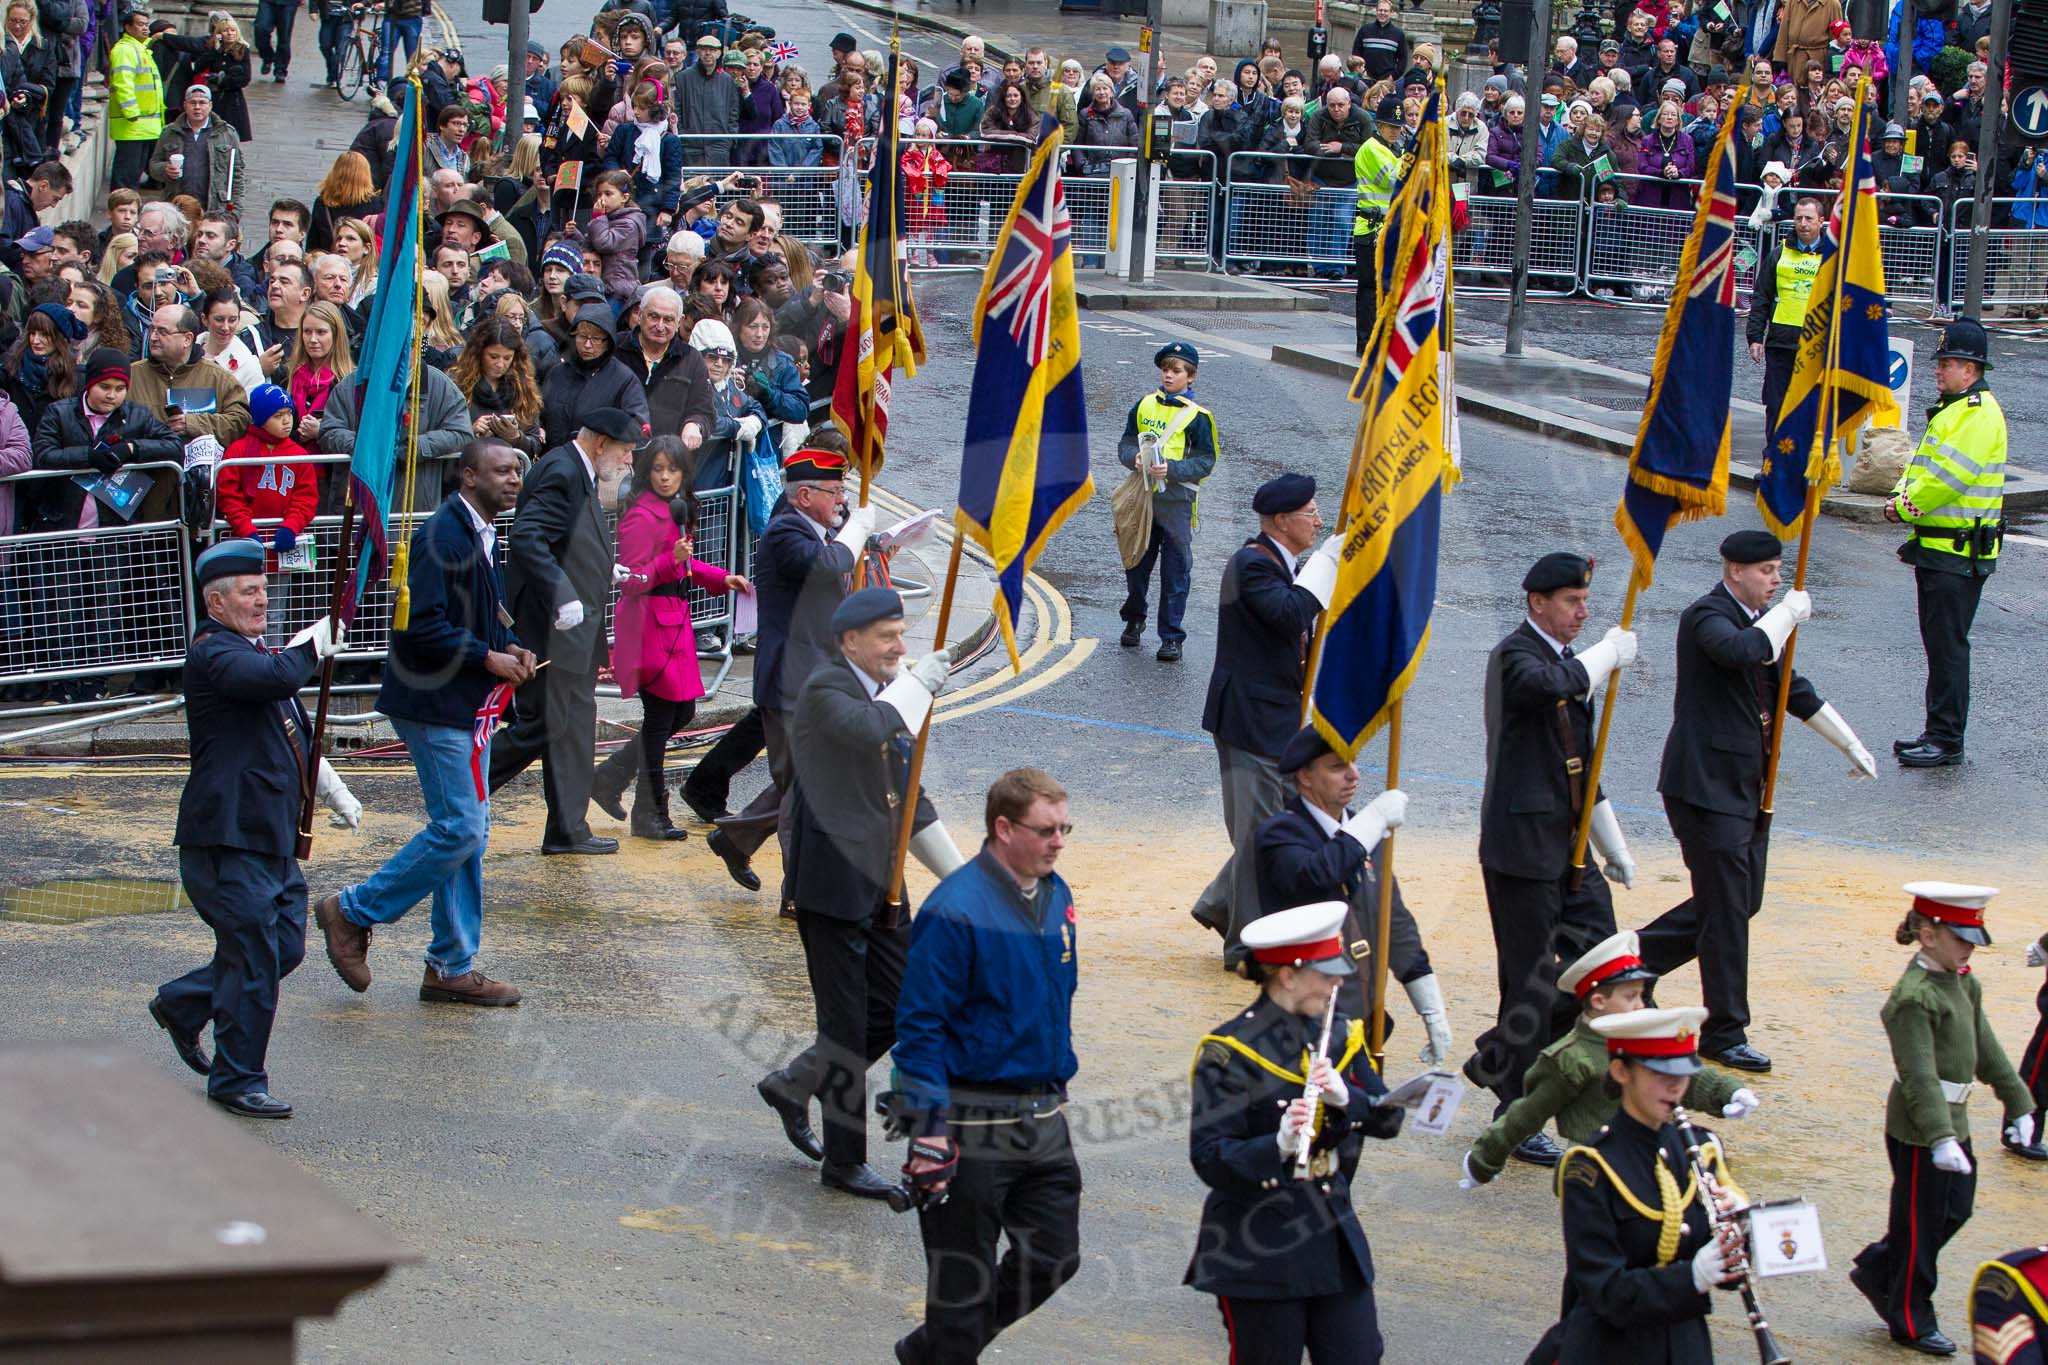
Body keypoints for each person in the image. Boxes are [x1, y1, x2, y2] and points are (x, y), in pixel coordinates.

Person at [1635, 530, 1877, 1073]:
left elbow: (1793, 688)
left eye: (1777, 569)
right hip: (1704, 788)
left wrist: (1849, 741)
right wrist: (1788, 613)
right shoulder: (1708, 617)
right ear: (1734, 571)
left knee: (1740, 901)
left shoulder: (1762, 623)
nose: (1775, 580)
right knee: (1726, 908)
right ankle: (1725, 1031)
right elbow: (1746, 651)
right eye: (1766, 570)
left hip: (1744, 787)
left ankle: (1631, 964)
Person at [311, 442, 537, 1006]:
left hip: (465, 702)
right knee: (461, 828)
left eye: (517, 471)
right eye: (501, 471)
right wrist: (487, 658)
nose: (513, 480)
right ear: (468, 475)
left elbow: (478, 614)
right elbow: (418, 627)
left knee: (470, 834)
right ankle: (351, 910)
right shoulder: (443, 536)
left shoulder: (481, 532)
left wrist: (508, 644)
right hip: (435, 705)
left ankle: (451, 966)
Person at [755, 586, 962, 1198]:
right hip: (833, 888)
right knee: (845, 1028)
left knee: (902, 1009)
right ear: (850, 642)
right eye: (887, 637)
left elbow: (911, 801)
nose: (901, 647)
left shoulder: (886, 694)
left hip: (884, 884)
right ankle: (844, 1162)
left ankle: (795, 1082)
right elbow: (865, 728)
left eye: (903, 635)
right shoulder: (827, 690)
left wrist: (968, 879)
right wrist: (916, 686)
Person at [145, 539, 351, 1119]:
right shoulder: (217, 653)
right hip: (226, 841)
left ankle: (185, 1005)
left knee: (281, 948)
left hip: (269, 841)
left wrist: (332, 790)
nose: (262, 600)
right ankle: (237, 1080)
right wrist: (313, 642)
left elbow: (291, 727)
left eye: (263, 589)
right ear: (216, 602)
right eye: (248, 592)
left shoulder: (252, 652)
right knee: (255, 959)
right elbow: (278, 678)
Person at [891, 767, 1083, 1365]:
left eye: (1064, 828)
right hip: (970, 1129)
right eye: (1046, 830)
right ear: (1003, 828)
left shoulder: (1058, 896)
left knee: (1054, 1257)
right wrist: (928, 1131)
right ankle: (948, 1344)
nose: (1058, 842)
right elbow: (920, 1029)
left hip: (1044, 1116)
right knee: (960, 1295)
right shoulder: (954, 910)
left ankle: (934, 1350)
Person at [1464, 553, 1637, 1158]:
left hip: (1570, 847)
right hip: (1522, 850)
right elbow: (1550, 688)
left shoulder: (1567, 662)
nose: (1582, 613)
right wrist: (1606, 657)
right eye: (1571, 602)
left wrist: (1608, 841)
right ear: (1537, 602)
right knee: (1531, 984)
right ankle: (1516, 1110)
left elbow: (1582, 767)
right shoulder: (1516, 656)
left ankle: (1498, 1055)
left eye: (1585, 602)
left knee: (1608, 968)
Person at [1184, 900, 1405, 1365]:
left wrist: (1350, 1099)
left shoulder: (1342, 1034)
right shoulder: (1229, 1052)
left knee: (1359, 1355)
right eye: (1326, 974)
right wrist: (1278, 1144)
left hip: (1330, 1230)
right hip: (1257, 1244)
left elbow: (1390, 1119)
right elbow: (1209, 1156)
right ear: (1288, 976)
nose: (1337, 983)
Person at [1850, 883, 2039, 1357]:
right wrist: (1937, 1137)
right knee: (1920, 1224)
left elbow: (1985, 1045)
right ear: (1929, 935)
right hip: (1921, 1127)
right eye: (1961, 938)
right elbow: (1918, 1076)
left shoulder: (1962, 980)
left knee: (1956, 1210)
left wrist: (2019, 1101)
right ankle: (1911, 1318)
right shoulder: (1913, 997)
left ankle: (1878, 1268)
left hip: (1955, 1121)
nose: (1970, 947)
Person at [1527, 1005, 1749, 1363]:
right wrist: (1690, 1276)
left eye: (1683, 1073)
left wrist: (1738, 1233)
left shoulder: (1699, 1149)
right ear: (1621, 1071)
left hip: (1686, 1347)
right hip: (1610, 1349)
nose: (1675, 1085)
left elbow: (1729, 1277)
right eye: (1659, 1073)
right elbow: (1604, 1290)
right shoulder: (1591, 1167)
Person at [1460, 931, 1756, 1188]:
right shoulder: (1570, 1057)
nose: (1641, 1005)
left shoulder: (1647, 1038)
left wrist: (1728, 1091)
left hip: (1653, 1155)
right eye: (1631, 997)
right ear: (1599, 1001)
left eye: (1641, 996)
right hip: (1595, 1168)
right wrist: (1484, 1161)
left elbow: (1684, 1078)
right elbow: (1527, 1114)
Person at [703, 446, 870, 892]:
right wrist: (855, 533)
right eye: (833, 491)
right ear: (803, 496)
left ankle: (737, 838)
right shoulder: (786, 531)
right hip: (792, 682)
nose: (841, 500)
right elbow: (823, 568)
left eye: (842, 491)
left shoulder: (814, 531)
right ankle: (800, 891)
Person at [485, 408, 638, 855]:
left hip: (574, 627)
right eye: (625, 451)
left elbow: (568, 538)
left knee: (570, 727)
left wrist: (603, 568)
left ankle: (567, 829)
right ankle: (464, 786)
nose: (628, 462)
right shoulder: (563, 471)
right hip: (554, 626)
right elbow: (530, 537)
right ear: (601, 443)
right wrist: (564, 595)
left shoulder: (576, 468)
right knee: (546, 725)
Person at [1191, 473, 1335, 949]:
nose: (1317, 521)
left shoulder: (1286, 564)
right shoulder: (1251, 565)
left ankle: (1220, 903)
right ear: (1281, 520)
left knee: (1288, 822)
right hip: (1249, 720)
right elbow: (1290, 614)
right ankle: (1247, 947)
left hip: (1281, 717)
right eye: (1309, 513)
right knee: (1258, 836)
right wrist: (1326, 567)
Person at [1255, 725, 1448, 1063]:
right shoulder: (1280, 834)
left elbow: (1395, 923)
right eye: (1337, 767)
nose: (1353, 775)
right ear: (1305, 777)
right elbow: (1317, 874)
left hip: (1363, 1015)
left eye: (1354, 763)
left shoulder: (1364, 831)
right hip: (1304, 1018)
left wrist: (1430, 1009)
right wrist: (1373, 822)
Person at [589, 438, 749, 839]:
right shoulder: (641, 516)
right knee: (662, 719)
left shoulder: (674, 510)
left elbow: (685, 559)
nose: (664, 477)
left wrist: (719, 578)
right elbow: (632, 579)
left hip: (672, 619)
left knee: (681, 714)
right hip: (648, 623)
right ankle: (649, 813)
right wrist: (670, 562)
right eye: (657, 469)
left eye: (672, 470)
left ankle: (610, 777)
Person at [1883, 319, 2005, 770]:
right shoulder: (1954, 409)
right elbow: (1922, 466)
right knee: (1940, 647)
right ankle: (1937, 731)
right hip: (1941, 548)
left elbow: (1950, 478)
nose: (1939, 370)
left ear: (1971, 369)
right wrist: (1901, 494)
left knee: (1949, 648)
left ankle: (1946, 739)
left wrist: (1904, 508)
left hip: (1957, 552)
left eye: (1948, 363)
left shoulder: (1976, 413)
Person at [1116, 341, 1217, 663]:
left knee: (1176, 572)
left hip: (1177, 501)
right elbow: (1127, 440)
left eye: (1176, 371)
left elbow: (1206, 461)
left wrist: (1171, 469)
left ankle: (1171, 637)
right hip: (1144, 497)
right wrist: (1132, 457)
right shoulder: (1144, 404)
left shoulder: (1200, 418)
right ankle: (1134, 619)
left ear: (1191, 376)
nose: (1169, 375)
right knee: (1136, 563)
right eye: (1165, 370)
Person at [1745, 196, 1826, 453]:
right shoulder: (1779, 253)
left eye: (1809, 219)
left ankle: (1806, 461)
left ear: (1821, 222)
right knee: (1777, 404)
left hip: (1817, 345)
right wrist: (1755, 337)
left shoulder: (1833, 258)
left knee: (1812, 407)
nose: (1802, 224)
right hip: (1781, 342)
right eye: (1799, 218)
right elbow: (1762, 296)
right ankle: (1773, 460)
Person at [214, 383, 317, 567]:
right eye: (278, 416)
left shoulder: (299, 454)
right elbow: (229, 497)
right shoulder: (238, 451)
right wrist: (246, 530)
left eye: (289, 413)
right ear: (261, 419)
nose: (287, 421)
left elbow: (306, 497)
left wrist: (291, 526)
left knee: (279, 595)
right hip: (243, 542)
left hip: (284, 544)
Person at [540, 301, 649, 450]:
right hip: (555, 460)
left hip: (599, 464)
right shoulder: (557, 373)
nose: (587, 345)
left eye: (596, 339)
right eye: (582, 336)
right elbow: (538, 411)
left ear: (608, 341)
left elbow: (639, 429)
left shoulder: (624, 380)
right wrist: (537, 428)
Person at [1352, 96, 1402, 356]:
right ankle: (1367, 342)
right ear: (1379, 125)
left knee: (1389, 289)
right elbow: (1394, 180)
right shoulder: (1372, 148)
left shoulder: (1395, 149)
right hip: (1370, 229)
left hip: (1389, 229)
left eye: (1398, 127)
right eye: (1390, 126)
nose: (1395, 131)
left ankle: (1384, 340)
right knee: (1370, 289)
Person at [109, 3, 165, 191]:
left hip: (143, 125)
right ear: (127, 27)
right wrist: (131, 112)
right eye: (140, 24)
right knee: (126, 174)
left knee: (133, 174)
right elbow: (123, 82)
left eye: (146, 25)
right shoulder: (125, 49)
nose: (145, 28)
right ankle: (120, 209)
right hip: (132, 123)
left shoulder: (140, 49)